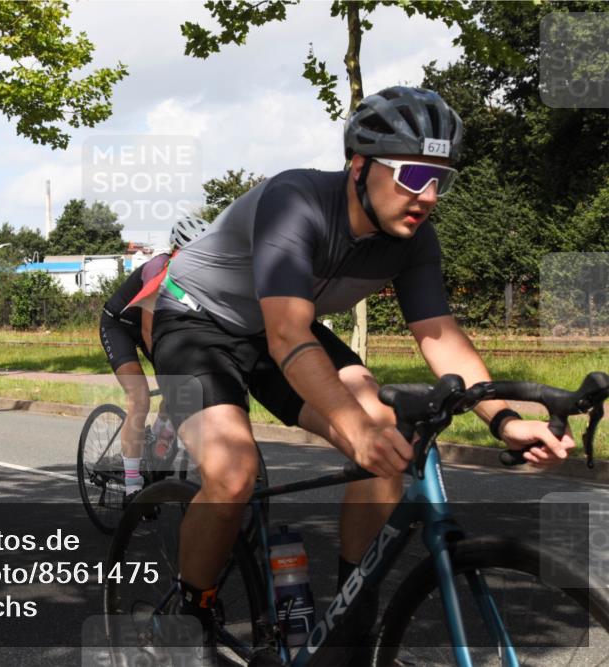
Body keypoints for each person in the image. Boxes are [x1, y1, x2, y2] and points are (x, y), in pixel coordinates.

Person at [149, 86, 575, 663]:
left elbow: (440, 336)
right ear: (359, 165)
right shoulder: (295, 199)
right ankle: (192, 605)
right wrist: (353, 430)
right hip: (195, 323)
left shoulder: (414, 238)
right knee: (233, 471)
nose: (427, 195)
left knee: (385, 431)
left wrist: (503, 419)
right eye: (412, 174)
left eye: (441, 180)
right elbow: (288, 336)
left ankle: (351, 619)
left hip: (277, 329)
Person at [99, 215, 211, 502]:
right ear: (176, 251)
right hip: (120, 326)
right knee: (140, 398)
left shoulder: (200, 273)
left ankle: (159, 434)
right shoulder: (158, 269)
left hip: (153, 328)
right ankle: (132, 486)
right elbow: (148, 330)